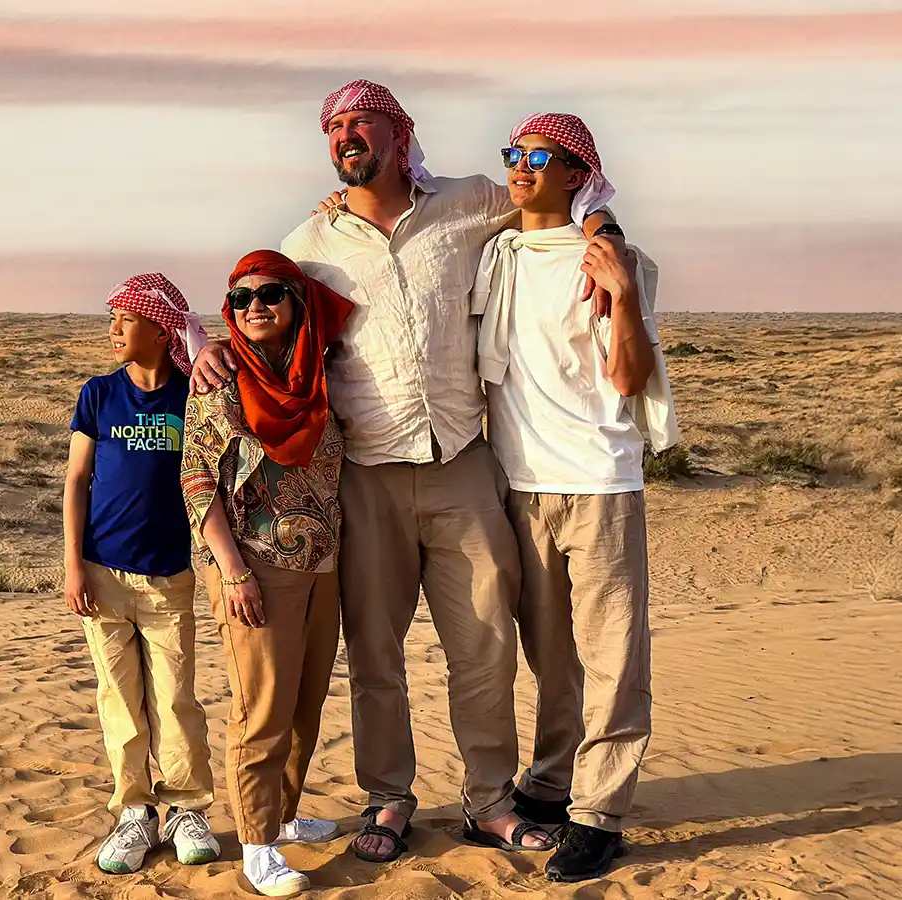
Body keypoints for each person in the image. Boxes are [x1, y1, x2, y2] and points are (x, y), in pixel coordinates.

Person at [191, 79, 628, 862]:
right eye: (333, 127)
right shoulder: (312, 244)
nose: (345, 135)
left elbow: (561, 186)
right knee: (376, 653)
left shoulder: (468, 202)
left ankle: (490, 800)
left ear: (400, 133)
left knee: (486, 644)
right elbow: (250, 295)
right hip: (366, 475)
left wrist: (603, 231)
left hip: (463, 468)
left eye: (361, 122)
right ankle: (388, 799)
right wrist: (207, 346)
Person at [471, 113, 678, 881]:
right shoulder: (498, 253)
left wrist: (622, 293)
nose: (519, 167)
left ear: (574, 172)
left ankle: (601, 813)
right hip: (519, 483)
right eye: (513, 154)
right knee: (548, 654)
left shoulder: (619, 263)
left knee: (614, 656)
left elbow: (629, 378)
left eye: (537, 156)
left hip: (599, 483)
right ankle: (553, 784)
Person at [181, 250, 355, 896]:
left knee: (305, 704)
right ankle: (256, 846)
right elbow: (196, 482)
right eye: (241, 298)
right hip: (254, 570)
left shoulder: (320, 376)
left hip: (323, 565)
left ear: (297, 302)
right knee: (262, 710)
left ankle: (280, 818)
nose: (256, 307)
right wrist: (233, 572)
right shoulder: (220, 383)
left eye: (271, 294)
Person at [62, 273, 220, 875]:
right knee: (120, 700)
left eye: (123, 321)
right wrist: (73, 564)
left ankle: (186, 809)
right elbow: (77, 480)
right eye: (111, 321)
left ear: (159, 328)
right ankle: (135, 811)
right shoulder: (99, 395)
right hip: (101, 575)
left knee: (175, 699)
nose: (113, 331)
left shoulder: (191, 395)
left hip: (169, 577)